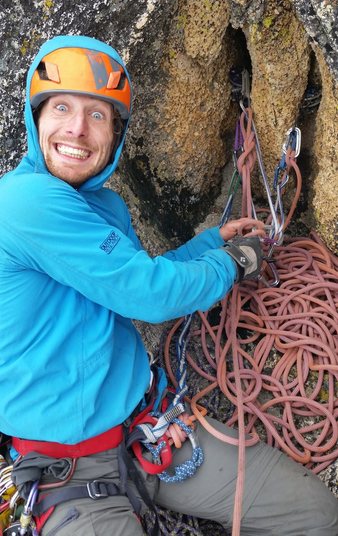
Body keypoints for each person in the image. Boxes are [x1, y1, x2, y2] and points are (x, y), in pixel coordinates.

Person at [0, 34, 337, 536]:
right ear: (35, 119)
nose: (77, 128)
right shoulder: (24, 203)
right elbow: (150, 295)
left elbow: (131, 279)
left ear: (115, 135)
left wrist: (206, 248)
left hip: (149, 431)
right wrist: (230, 266)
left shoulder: (101, 207)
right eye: (61, 108)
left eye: (98, 115)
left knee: (315, 515)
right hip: (66, 472)